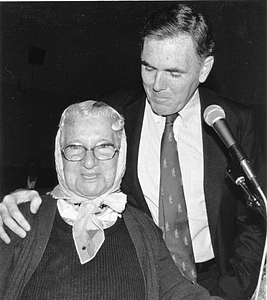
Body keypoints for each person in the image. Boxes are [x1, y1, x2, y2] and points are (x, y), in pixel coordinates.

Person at [0, 4, 265, 299]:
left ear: (204, 69)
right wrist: (30, 200)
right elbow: (86, 172)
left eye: (173, 73)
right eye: (148, 67)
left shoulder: (233, 122)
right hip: (141, 280)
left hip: (215, 279)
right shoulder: (116, 112)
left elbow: (253, 220)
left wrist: (235, 290)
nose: (156, 85)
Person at [0, 100, 222, 300]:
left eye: (104, 147)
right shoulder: (21, 218)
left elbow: (179, 293)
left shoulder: (143, 228)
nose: (89, 162)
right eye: (75, 147)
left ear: (121, 154)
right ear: (60, 155)